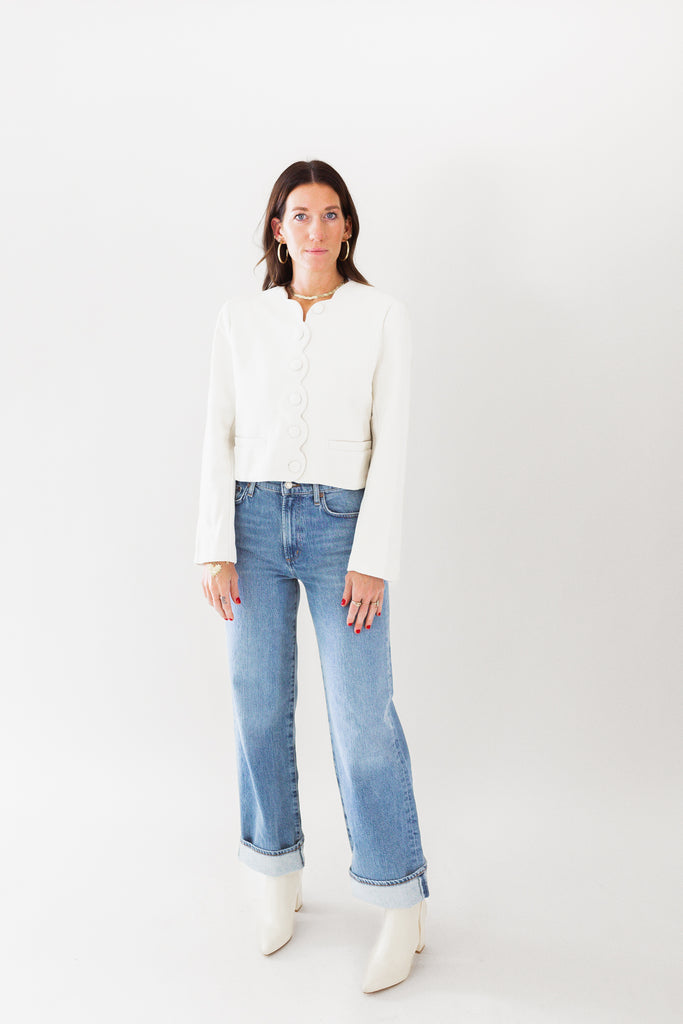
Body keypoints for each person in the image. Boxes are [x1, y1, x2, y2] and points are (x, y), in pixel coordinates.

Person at [194, 159, 429, 993]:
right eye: (301, 214)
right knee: (257, 704)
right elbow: (218, 430)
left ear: (347, 227)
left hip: (341, 528)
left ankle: (401, 901)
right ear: (277, 228)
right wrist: (213, 544)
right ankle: (275, 873)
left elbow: (393, 439)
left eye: (331, 214)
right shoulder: (239, 318)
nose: (317, 228)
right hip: (252, 521)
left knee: (362, 721)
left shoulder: (381, 314)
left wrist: (371, 559)